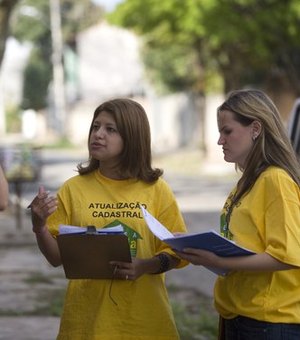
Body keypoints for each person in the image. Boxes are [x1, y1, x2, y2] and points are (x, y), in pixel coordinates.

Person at [29, 98, 187, 339]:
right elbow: (55, 258)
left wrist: (145, 266)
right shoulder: (73, 189)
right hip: (87, 322)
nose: (98, 134)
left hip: (145, 322)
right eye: (95, 126)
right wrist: (39, 226)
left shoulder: (157, 190)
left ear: (132, 137)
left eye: (110, 129)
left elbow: (177, 252)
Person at [175, 89, 300, 339]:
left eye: (227, 131)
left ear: (255, 128)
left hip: (269, 322)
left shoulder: (275, 180)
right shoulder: (248, 181)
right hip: (239, 317)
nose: (220, 141)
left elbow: (287, 256)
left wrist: (218, 261)